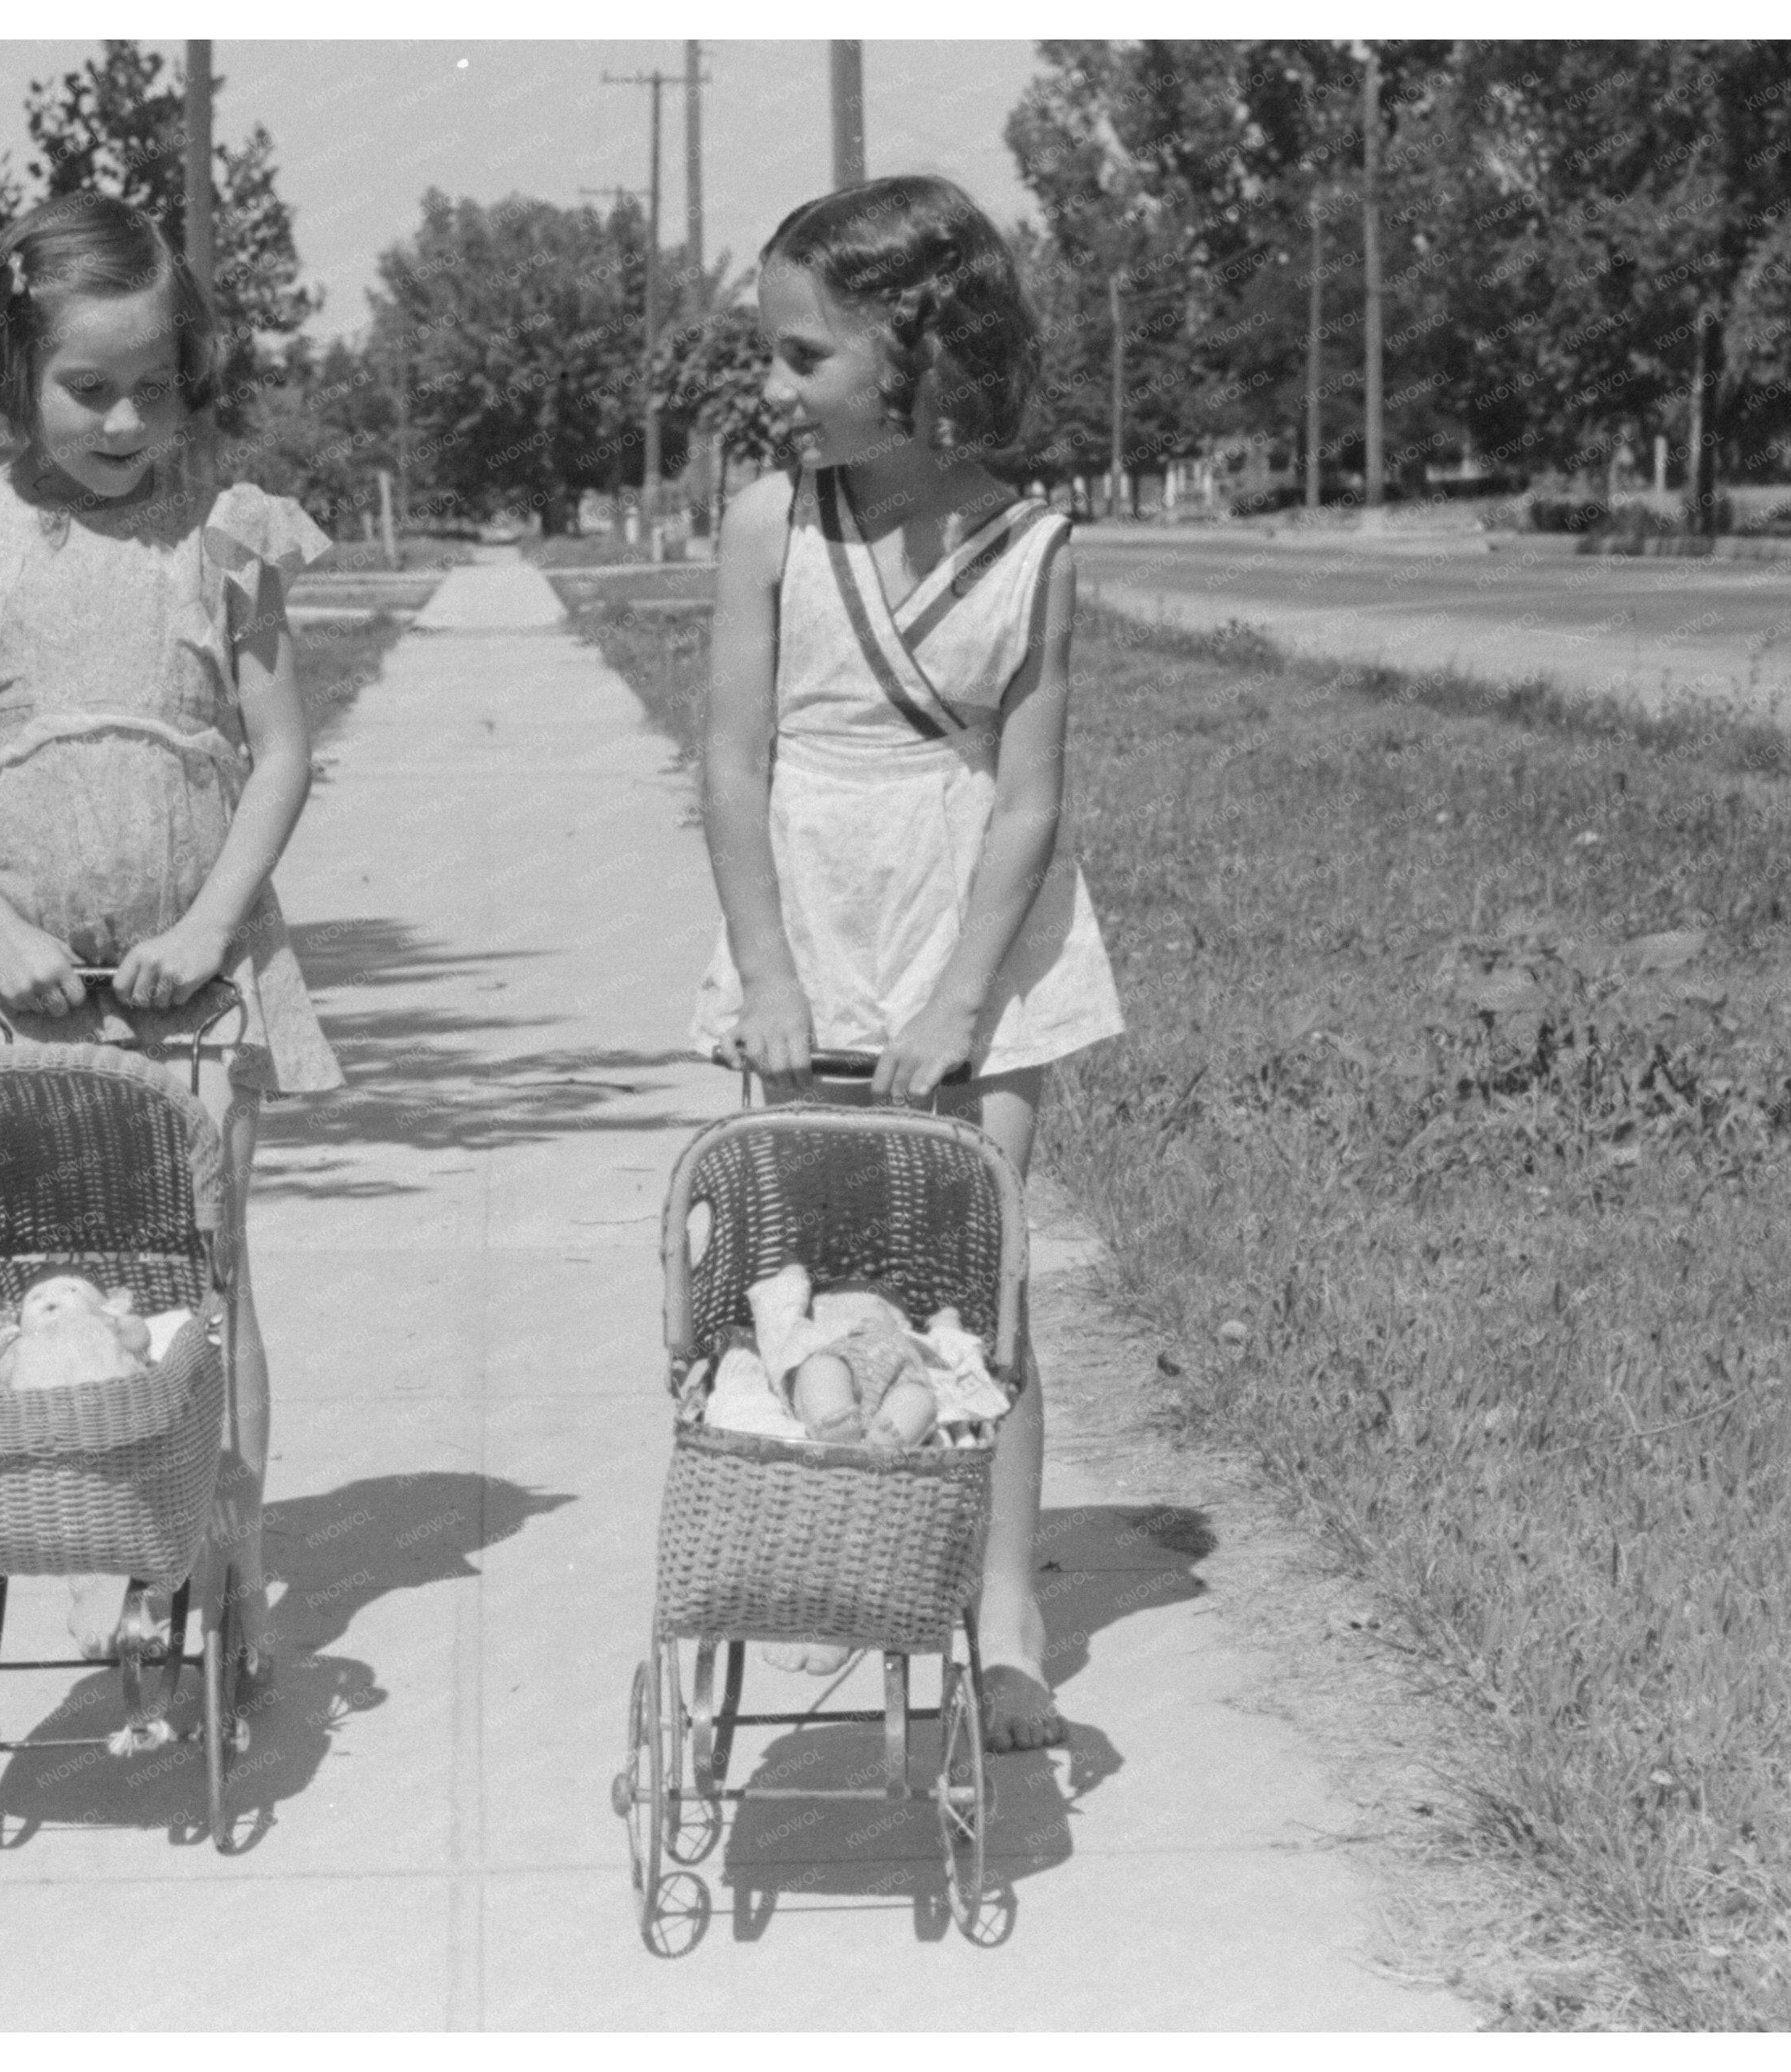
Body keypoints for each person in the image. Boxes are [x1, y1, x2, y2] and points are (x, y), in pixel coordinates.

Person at [0, 189, 343, 1695]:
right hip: (21, 992)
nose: (126, 421)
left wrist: (208, 921)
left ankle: (216, 1544)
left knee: (203, 1275)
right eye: (87, 387)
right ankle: (65, 1518)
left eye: (154, 387)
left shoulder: (224, 536)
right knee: (23, 1279)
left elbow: (280, 752)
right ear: (13, 373)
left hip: (195, 988)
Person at [689, 176, 1125, 1753]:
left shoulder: (1034, 545)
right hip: (811, 921)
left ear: (919, 352)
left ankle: (1006, 1611)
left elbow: (1029, 799)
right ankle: (832, 1553)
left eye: (804, 355)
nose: (773, 384)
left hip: (971, 937)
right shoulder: (770, 526)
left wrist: (958, 1001)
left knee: (979, 1282)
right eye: (771, 351)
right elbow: (732, 763)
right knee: (806, 1281)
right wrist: (768, 975)